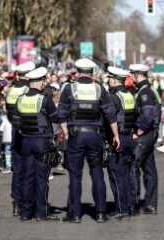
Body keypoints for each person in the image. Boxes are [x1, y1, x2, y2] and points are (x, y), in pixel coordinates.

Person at [58, 58, 120, 223]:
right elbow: (110, 115)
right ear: (92, 72)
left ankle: (75, 214)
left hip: (76, 136)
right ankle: (100, 213)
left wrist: (66, 132)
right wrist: (115, 135)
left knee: (75, 176)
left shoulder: (69, 89)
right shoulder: (100, 89)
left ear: (77, 72)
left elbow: (61, 114)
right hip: (95, 136)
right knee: (97, 173)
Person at [13, 67, 59, 221]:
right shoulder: (45, 99)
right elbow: (56, 118)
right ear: (40, 83)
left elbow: (16, 123)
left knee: (28, 177)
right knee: (41, 178)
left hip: (26, 142)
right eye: (44, 81)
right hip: (42, 143)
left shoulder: (20, 99)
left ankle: (26, 212)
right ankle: (42, 212)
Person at [129, 64, 161, 215]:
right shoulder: (147, 89)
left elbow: (147, 117)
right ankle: (150, 204)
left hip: (144, 135)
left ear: (137, 75)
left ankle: (133, 205)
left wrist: (138, 133)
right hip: (150, 134)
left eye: (132, 74)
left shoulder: (145, 92)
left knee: (133, 167)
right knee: (149, 169)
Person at [105, 66, 134, 220]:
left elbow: (110, 119)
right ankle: (126, 205)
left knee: (116, 174)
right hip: (128, 138)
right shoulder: (128, 95)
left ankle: (120, 209)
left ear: (115, 80)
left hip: (117, 139)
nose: (108, 81)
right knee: (124, 173)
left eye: (109, 78)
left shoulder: (113, 97)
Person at [6, 61, 34, 216]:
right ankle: (28, 202)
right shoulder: (29, 90)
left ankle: (17, 202)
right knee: (30, 169)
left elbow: (10, 114)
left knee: (17, 170)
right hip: (30, 133)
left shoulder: (11, 91)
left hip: (15, 132)